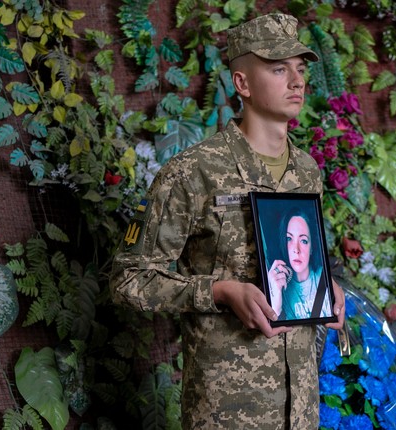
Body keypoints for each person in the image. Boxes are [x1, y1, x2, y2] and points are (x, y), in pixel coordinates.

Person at [109, 13, 345, 429]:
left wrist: (325, 290)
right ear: (242, 84)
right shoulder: (193, 172)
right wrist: (218, 291)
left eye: (301, 69)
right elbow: (128, 281)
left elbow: (298, 268)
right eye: (278, 68)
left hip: (302, 409)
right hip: (228, 412)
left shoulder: (307, 171)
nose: (297, 81)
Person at [266, 206, 332, 320]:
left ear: (311, 247)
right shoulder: (279, 287)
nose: (296, 249)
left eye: (303, 241)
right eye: (289, 239)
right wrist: (275, 306)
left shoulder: (323, 277)